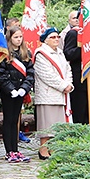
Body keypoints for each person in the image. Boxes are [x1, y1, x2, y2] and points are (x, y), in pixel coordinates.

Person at [0, 26, 35, 162]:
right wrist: (10, 89)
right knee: (9, 120)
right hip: (9, 93)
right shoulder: (4, 53)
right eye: (16, 37)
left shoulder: (25, 53)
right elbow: (1, 74)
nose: (18, 40)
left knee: (16, 120)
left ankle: (16, 150)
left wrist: (24, 88)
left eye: (20, 37)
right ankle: (9, 151)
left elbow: (30, 73)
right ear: (10, 38)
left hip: (20, 91)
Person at [33, 27, 73, 159]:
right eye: (52, 37)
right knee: (47, 124)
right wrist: (63, 85)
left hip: (61, 94)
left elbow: (68, 70)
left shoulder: (60, 53)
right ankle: (43, 149)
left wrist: (69, 84)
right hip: (48, 95)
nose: (56, 39)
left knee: (57, 124)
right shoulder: (41, 54)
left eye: (57, 37)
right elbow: (47, 75)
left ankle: (54, 149)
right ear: (45, 40)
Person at [63, 21, 90, 124]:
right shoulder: (74, 33)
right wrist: (84, 47)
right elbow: (68, 54)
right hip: (81, 82)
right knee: (79, 114)